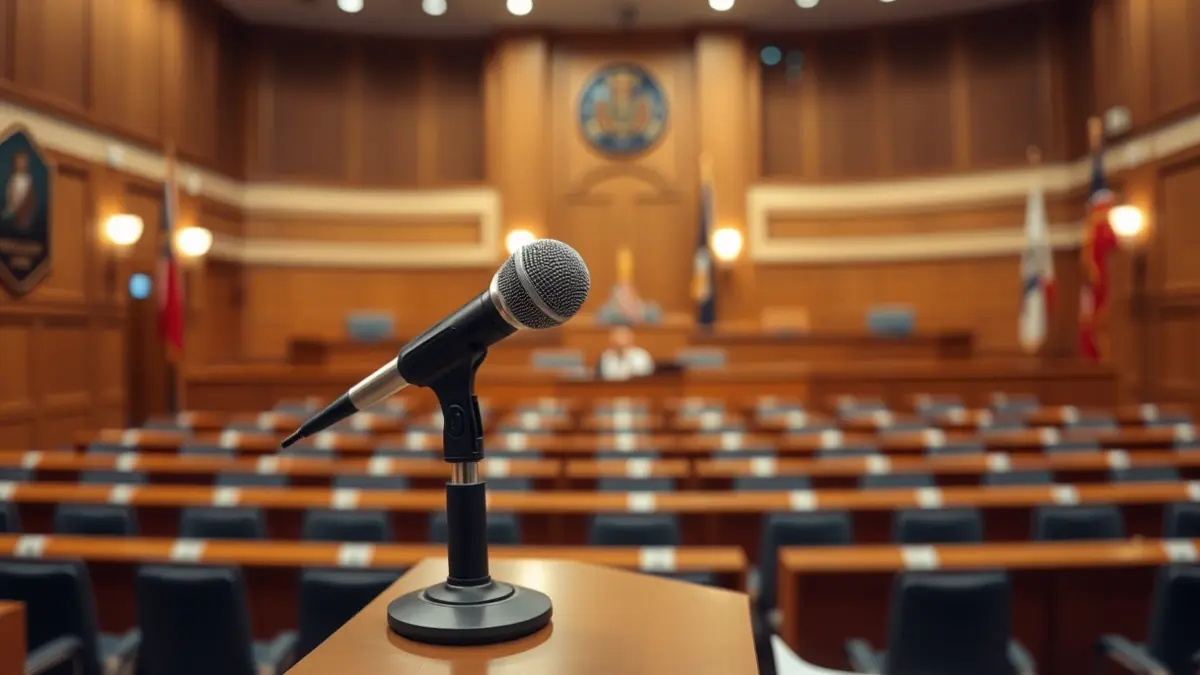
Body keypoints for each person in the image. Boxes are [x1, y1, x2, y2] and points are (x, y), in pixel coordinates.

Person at [2, 151, 35, 232]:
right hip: (14, 205)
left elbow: (30, 192)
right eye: (19, 162)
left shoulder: (28, 178)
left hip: (25, 204)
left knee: (24, 215)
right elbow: (11, 192)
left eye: (24, 162)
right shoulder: (13, 178)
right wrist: (13, 204)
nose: (22, 165)